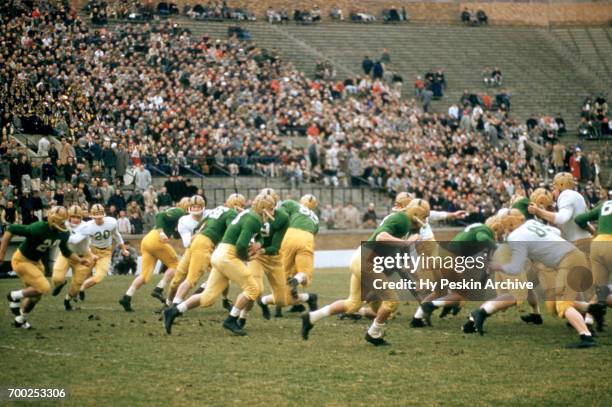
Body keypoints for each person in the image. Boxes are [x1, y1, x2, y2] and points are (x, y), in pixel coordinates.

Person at [300, 199, 425, 345]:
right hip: (367, 261)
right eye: (425, 216)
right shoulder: (402, 220)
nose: (425, 220)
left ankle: (311, 317)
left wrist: (417, 280)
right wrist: (407, 243)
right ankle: (374, 334)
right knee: (391, 301)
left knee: (353, 304)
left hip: (362, 258)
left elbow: (403, 263)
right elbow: (381, 237)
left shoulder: (404, 224)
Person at [483, 210, 605, 348]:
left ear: (509, 225)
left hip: (567, 261)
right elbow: (556, 232)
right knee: (562, 302)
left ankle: (586, 337)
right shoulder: (531, 223)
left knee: (563, 305)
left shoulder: (516, 236)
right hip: (574, 255)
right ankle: (593, 309)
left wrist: (497, 266)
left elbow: (515, 268)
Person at [163, 194, 277, 336]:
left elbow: (254, 233)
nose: (273, 212)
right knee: (253, 289)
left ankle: (173, 311)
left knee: (208, 298)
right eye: (271, 209)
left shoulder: (250, 214)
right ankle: (231, 319)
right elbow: (242, 244)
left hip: (219, 253)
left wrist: (258, 242)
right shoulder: (254, 219)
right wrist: (247, 257)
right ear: (263, 208)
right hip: (227, 255)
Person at [1, 206, 90, 329]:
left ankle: (21, 319)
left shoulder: (63, 233)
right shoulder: (38, 228)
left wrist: (80, 260)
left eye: (61, 221)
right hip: (22, 260)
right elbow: (11, 229)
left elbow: (66, 252)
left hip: (37, 263)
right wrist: (1, 254)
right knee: (45, 287)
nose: (60, 224)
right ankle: (14, 296)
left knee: (36, 296)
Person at [118, 198, 191, 312]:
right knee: (175, 265)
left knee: (145, 275)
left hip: (147, 240)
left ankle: (127, 297)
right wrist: (162, 233)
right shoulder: (180, 212)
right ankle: (159, 289)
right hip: (156, 239)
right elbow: (160, 215)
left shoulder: (177, 212)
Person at [71, 204, 130, 299]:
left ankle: (81, 289)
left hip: (106, 253)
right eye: (96, 217)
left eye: (100, 217)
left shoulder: (111, 222)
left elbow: (117, 236)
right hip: (92, 250)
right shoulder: (88, 226)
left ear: (104, 215)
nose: (98, 219)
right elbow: (85, 243)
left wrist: (123, 249)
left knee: (98, 277)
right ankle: (72, 294)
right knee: (83, 274)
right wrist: (90, 254)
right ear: (92, 216)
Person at [50, 205, 93, 310]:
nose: (75, 219)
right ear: (68, 216)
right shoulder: (64, 223)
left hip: (82, 258)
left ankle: (67, 300)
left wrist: (58, 237)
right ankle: (62, 283)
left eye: (78, 217)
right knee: (56, 278)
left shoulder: (86, 226)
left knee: (76, 286)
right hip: (66, 254)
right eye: (73, 216)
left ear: (81, 218)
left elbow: (75, 240)